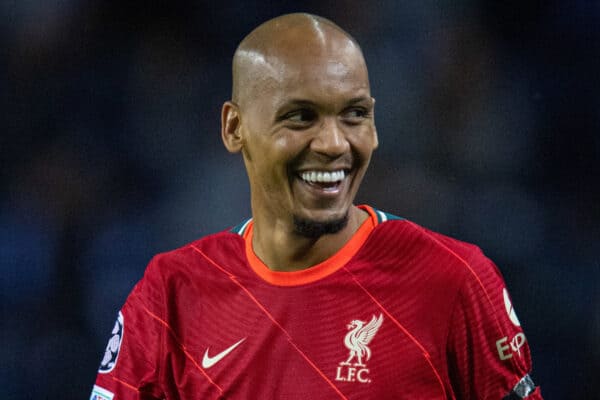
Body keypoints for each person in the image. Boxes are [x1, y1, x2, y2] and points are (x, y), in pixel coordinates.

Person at [90, 13, 542, 400]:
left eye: (354, 115)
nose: (333, 143)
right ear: (234, 128)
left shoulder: (453, 279)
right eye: (300, 116)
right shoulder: (170, 295)